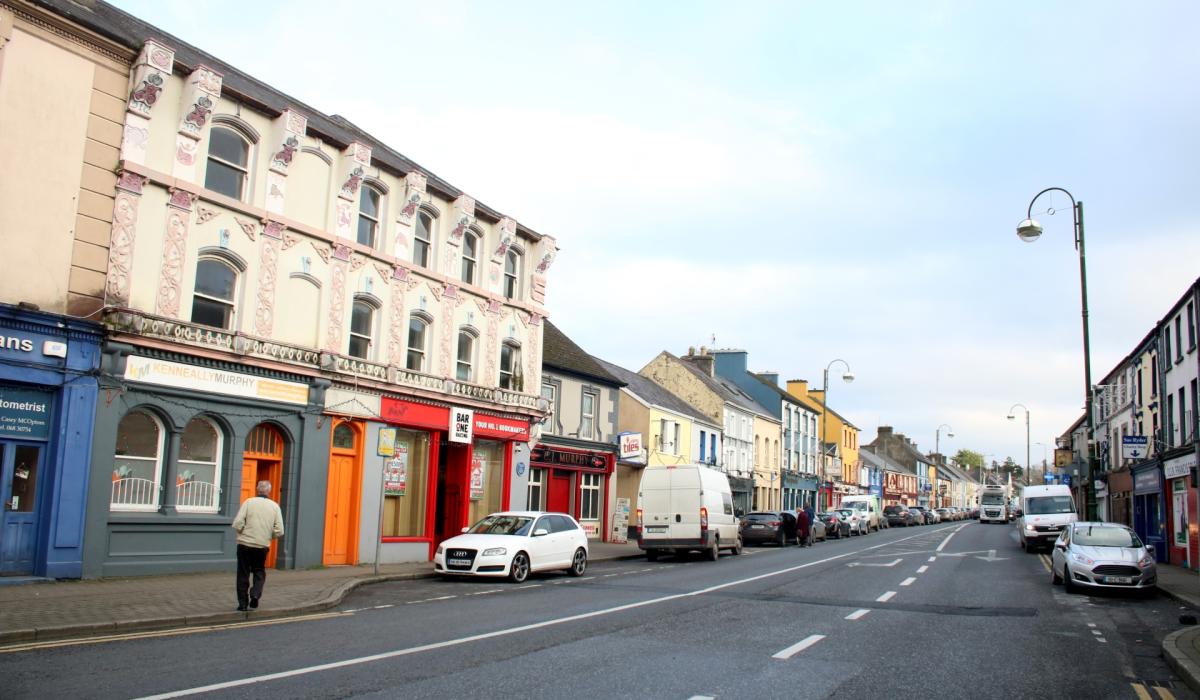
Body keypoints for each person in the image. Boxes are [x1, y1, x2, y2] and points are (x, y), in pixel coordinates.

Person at [232, 480, 284, 612]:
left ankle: (242, 604)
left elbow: (238, 523)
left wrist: (242, 532)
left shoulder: (248, 502)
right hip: (261, 545)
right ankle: (255, 594)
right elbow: (280, 530)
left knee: (243, 573)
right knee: (259, 571)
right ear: (269, 491)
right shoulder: (275, 506)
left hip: (244, 544)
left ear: (257, 489)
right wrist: (268, 536)